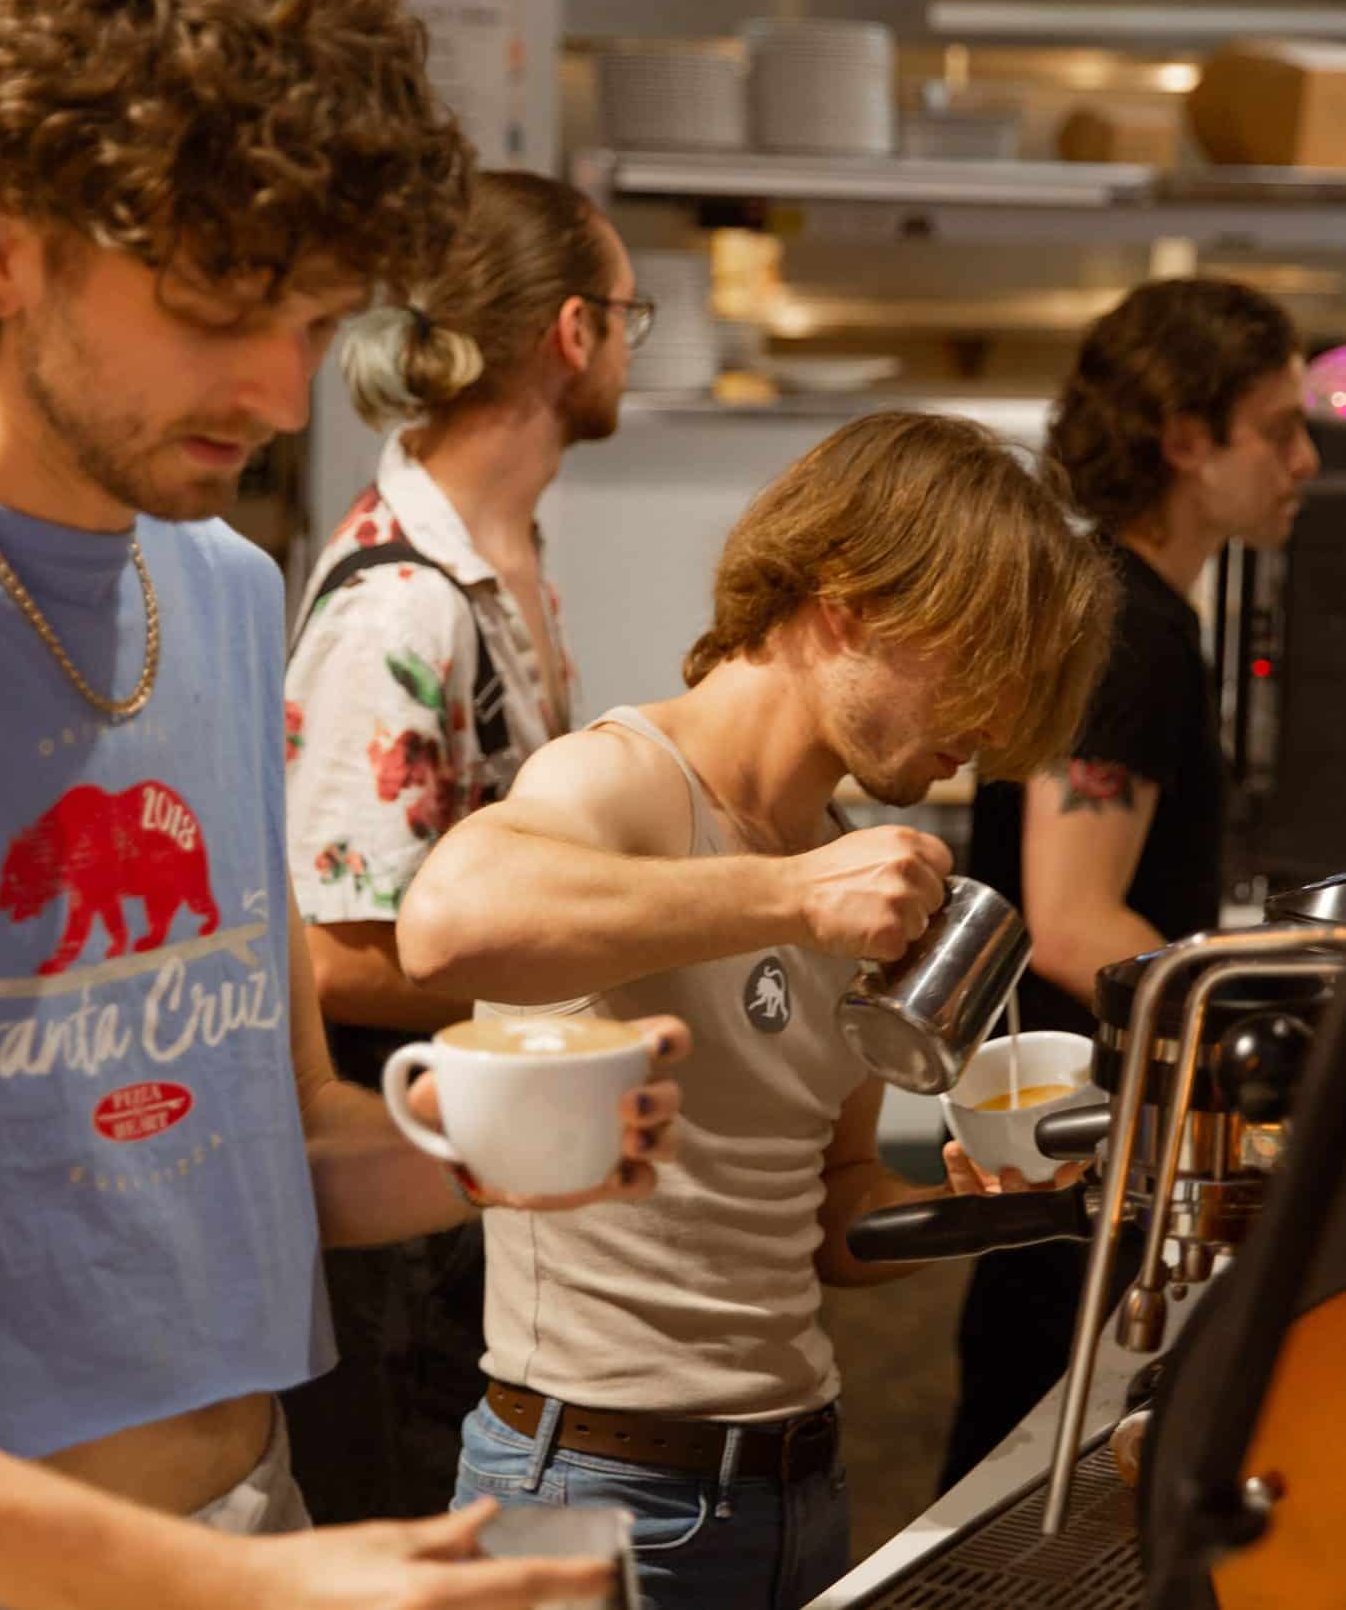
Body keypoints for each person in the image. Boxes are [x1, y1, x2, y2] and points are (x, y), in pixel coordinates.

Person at [0, 0, 686, 1609]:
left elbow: (266, 1132)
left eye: (311, 318)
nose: (280, 393)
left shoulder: (215, 591)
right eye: (220, 311)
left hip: (257, 1513)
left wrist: (480, 1146)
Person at [393, 410, 1117, 1610]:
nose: (990, 728)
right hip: (579, 1485)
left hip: (798, 1485)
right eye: (978, 669)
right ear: (847, 600)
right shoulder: (626, 779)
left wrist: (1000, 1215)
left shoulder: (841, 871)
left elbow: (830, 1216)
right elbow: (445, 922)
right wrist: (788, 894)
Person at [281, 168, 651, 1523]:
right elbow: (330, 958)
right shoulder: (401, 613)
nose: (629, 343)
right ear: (570, 331)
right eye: (628, 314)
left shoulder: (509, 559)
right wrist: (597, 969)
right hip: (389, 1156)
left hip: (470, 1147)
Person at [938, 276, 1320, 1493]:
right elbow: (1073, 919)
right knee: (1022, 1506)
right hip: (1084, 1165)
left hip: (1088, 1154)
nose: (1307, 458)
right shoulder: (1124, 628)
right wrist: (1265, 1063)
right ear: (1185, 439)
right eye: (1279, 427)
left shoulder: (1140, 608)